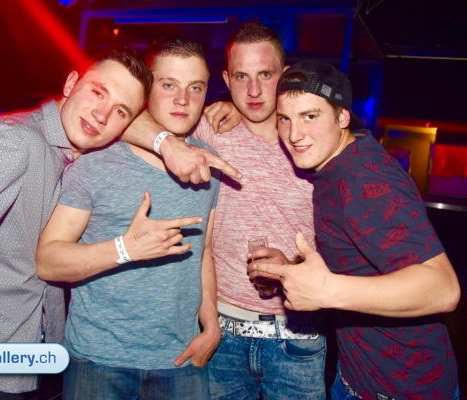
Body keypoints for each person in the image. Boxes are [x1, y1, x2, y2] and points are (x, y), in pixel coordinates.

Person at [0, 47, 239, 399]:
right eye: (97, 92)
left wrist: (174, 138)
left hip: (29, 364)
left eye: (120, 111)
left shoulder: (73, 152)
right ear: (69, 84)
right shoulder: (14, 140)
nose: (102, 115)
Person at [128, 21, 326, 399]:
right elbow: (121, 118)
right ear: (225, 79)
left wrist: (295, 267)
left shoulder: (312, 144)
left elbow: (345, 245)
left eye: (265, 75)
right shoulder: (208, 129)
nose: (253, 91)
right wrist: (166, 142)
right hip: (223, 337)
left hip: (298, 338)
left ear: (284, 76)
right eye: (241, 77)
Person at [250, 59, 461, 399]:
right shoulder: (336, 163)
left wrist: (325, 290)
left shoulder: (365, 178)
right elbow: (361, 265)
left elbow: (444, 289)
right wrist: (292, 270)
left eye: (310, 116)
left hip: (403, 390)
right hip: (357, 377)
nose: (294, 134)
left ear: (342, 118)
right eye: (285, 118)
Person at [36, 37, 221, 399]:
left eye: (195, 87)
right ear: (147, 90)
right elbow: (48, 261)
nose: (183, 100)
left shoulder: (208, 163)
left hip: (181, 360)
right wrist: (125, 248)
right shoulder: (97, 159)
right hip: (97, 362)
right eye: (169, 85)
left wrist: (211, 325)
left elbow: (204, 252)